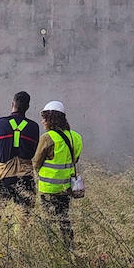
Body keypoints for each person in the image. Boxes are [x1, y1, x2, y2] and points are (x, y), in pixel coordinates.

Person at [0, 90, 40, 236]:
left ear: (12, 104)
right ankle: (19, 249)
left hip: (3, 174)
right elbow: (34, 150)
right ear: (27, 107)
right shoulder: (34, 127)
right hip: (25, 176)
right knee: (23, 216)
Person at [32, 100, 82, 249]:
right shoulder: (76, 137)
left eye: (44, 118)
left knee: (48, 220)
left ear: (51, 119)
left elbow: (36, 162)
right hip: (66, 187)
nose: (42, 121)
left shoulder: (47, 138)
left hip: (48, 188)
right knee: (64, 218)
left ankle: (50, 247)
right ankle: (69, 246)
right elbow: (75, 159)